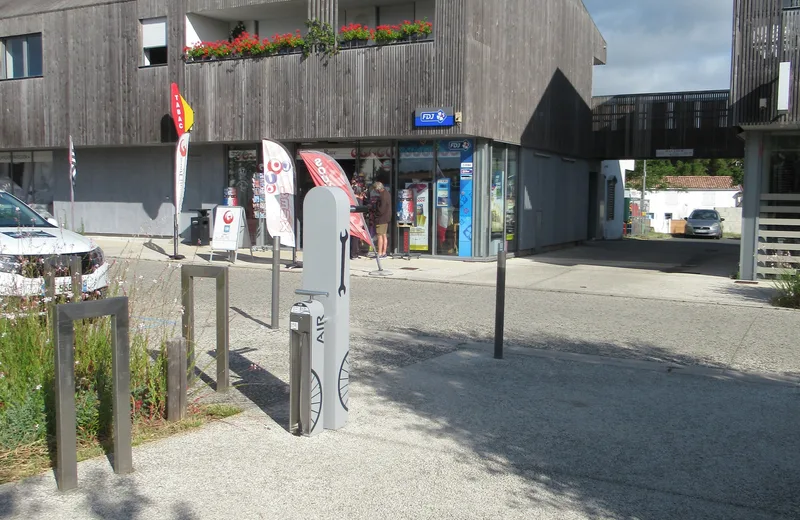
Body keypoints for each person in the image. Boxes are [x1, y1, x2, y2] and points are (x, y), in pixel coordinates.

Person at [373, 181, 391, 258]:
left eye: (375, 189)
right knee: (384, 235)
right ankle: (384, 252)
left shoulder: (382, 196)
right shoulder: (387, 193)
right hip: (386, 217)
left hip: (381, 218)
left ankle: (380, 252)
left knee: (380, 235)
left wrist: (375, 213)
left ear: (378, 189)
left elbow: (381, 209)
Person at [350, 175, 366, 259]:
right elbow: (360, 210)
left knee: (353, 236)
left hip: (353, 219)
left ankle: (353, 253)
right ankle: (354, 254)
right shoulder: (358, 200)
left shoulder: (351, 198)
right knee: (355, 237)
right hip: (356, 220)